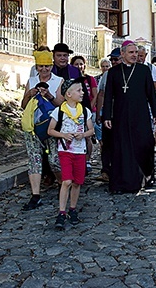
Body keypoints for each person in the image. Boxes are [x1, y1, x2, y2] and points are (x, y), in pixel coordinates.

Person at [102, 41, 156, 193]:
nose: (135, 55)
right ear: (122, 54)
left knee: (144, 145)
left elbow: (151, 94)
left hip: (140, 115)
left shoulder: (143, 70)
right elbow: (108, 95)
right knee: (122, 149)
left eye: (136, 52)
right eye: (131, 52)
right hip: (121, 115)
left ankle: (146, 176)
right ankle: (122, 184)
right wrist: (107, 116)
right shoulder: (114, 73)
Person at [20, 50, 64, 211]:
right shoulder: (31, 81)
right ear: (36, 67)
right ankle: (35, 195)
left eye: (47, 66)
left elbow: (62, 104)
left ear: (51, 66)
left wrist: (50, 96)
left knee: (54, 159)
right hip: (33, 126)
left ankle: (62, 185)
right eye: (41, 66)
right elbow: (23, 105)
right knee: (34, 160)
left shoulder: (58, 80)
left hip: (51, 126)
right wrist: (30, 94)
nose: (44, 70)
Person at [47, 79, 94, 230]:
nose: (82, 93)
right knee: (66, 181)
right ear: (68, 94)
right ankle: (61, 211)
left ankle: (72, 209)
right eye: (79, 90)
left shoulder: (84, 111)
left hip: (80, 151)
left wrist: (84, 135)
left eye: (82, 90)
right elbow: (50, 130)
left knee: (77, 182)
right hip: (65, 150)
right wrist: (63, 135)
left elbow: (91, 130)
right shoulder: (60, 111)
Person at [94, 48, 121, 182]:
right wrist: (99, 113)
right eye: (112, 60)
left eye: (116, 59)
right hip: (108, 114)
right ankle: (106, 170)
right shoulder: (107, 74)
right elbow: (101, 94)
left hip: (122, 114)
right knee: (106, 144)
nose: (113, 62)